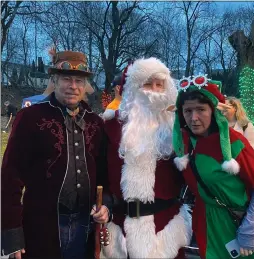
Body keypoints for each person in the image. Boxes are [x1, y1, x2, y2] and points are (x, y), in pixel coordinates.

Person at [1, 50, 111, 259]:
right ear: (54, 79)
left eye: (79, 81)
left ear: (86, 85)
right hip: (41, 227)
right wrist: (12, 235)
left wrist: (106, 206)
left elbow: (105, 175)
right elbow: (10, 176)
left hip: (84, 227)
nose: (73, 86)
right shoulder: (31, 118)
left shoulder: (96, 123)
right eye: (66, 79)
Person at [173, 74, 254, 259]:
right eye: (187, 111)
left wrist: (249, 233)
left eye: (201, 109)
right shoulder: (185, 144)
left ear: (214, 111)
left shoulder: (234, 142)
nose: (194, 117)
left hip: (239, 224)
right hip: (208, 225)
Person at [102, 57, 192, 259]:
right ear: (134, 88)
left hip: (165, 227)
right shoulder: (110, 126)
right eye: (147, 84)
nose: (153, 90)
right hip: (119, 229)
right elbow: (98, 172)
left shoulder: (179, 128)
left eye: (159, 85)